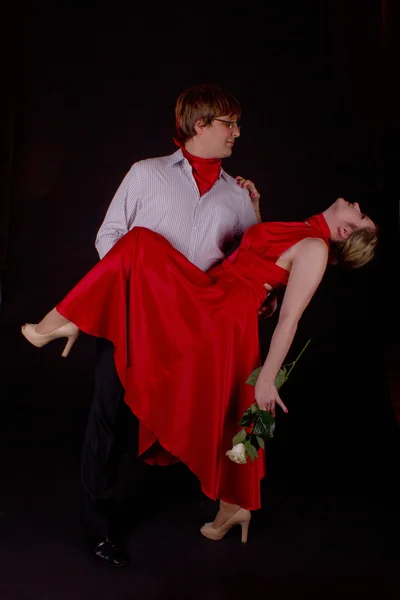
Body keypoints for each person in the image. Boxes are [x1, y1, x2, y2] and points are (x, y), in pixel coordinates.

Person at [21, 197, 378, 546]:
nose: (357, 205)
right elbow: (267, 257)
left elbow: (290, 321)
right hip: (216, 293)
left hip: (223, 316)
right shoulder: (304, 231)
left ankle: (57, 322)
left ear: (345, 230)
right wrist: (255, 212)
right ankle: (233, 507)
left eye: (360, 216)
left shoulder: (315, 247)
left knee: (140, 245)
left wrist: (267, 378)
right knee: (230, 409)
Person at [37, 83, 263, 567]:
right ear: (200, 124)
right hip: (136, 318)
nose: (237, 133)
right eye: (230, 124)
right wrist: (140, 293)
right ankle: (99, 530)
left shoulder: (239, 196)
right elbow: (111, 236)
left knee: (220, 412)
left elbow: (247, 267)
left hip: (195, 333)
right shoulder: (147, 173)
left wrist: (259, 216)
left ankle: (230, 502)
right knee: (109, 420)